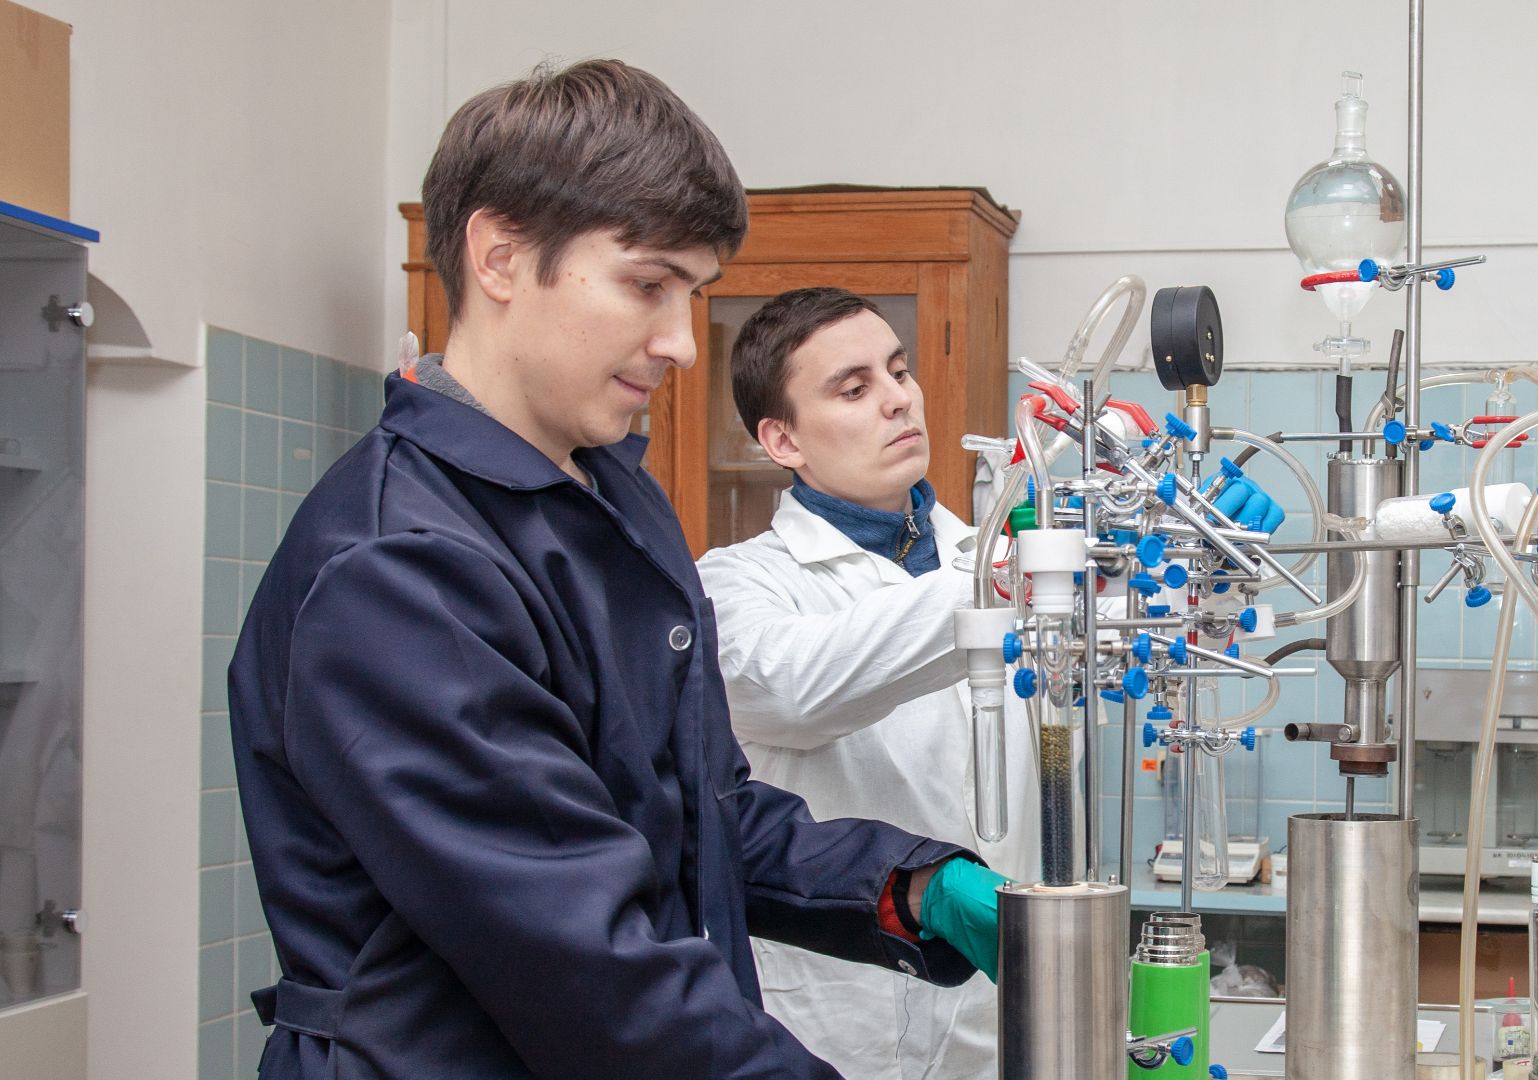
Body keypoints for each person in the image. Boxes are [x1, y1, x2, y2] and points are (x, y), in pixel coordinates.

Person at [226, 60, 1001, 1079]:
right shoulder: (402, 568)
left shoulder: (607, 498)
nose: (682, 343)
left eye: (692, 294)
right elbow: (586, 968)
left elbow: (697, 812)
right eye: (647, 285)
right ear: (500, 256)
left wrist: (904, 886)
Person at [696, 287, 1036, 1079]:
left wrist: (1209, 575)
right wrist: (1010, 576)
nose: (898, 400)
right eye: (854, 389)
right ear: (782, 439)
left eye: (898, 370)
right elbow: (795, 687)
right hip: (835, 1022)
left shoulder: (976, 560)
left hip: (997, 1016)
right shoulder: (736, 585)